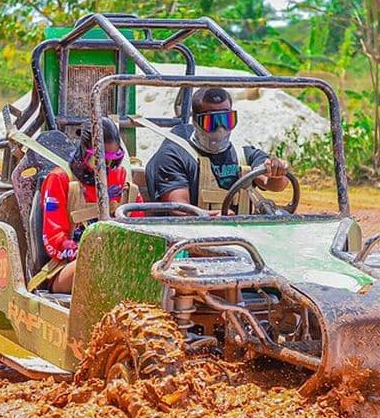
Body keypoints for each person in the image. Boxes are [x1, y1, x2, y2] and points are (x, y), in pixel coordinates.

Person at [32, 117, 143, 293]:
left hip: (119, 261)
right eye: (98, 161)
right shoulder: (60, 179)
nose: (105, 168)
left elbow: (140, 227)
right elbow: (53, 239)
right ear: (84, 151)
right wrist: (86, 252)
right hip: (69, 266)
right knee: (97, 266)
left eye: (113, 161)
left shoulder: (122, 179)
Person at [145, 87, 289, 214]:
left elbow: (274, 184)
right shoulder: (174, 156)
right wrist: (212, 218)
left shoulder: (243, 155)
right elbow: (178, 208)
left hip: (241, 232)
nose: (221, 129)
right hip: (194, 233)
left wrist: (276, 173)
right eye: (212, 122)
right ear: (196, 121)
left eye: (227, 120)